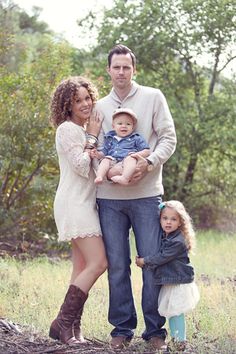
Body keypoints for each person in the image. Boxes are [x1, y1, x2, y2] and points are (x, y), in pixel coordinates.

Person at [95, 44, 177, 350]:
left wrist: (149, 162)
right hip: (109, 199)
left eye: (126, 67)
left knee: (152, 262)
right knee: (117, 264)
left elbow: (168, 138)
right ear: (108, 70)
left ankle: (156, 331)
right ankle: (121, 329)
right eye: (115, 67)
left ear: (134, 69)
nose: (121, 72)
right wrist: (107, 168)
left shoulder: (153, 97)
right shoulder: (100, 106)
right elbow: (96, 148)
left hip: (146, 196)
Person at [48, 76, 107, 345]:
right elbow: (82, 167)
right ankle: (61, 322)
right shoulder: (68, 130)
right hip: (73, 203)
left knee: (81, 267)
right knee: (99, 263)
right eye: (77, 100)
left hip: (85, 203)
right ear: (67, 106)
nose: (85, 104)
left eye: (87, 98)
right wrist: (92, 135)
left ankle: (72, 329)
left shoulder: (82, 131)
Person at [136, 200, 200, 351]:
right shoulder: (168, 236)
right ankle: (177, 340)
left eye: (173, 219)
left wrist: (144, 261)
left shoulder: (177, 241)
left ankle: (180, 341)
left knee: (175, 312)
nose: (168, 222)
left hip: (178, 282)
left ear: (180, 222)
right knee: (172, 312)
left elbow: (162, 257)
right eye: (165, 218)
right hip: (172, 280)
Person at [94, 107, 150, 185]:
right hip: (113, 159)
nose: (124, 126)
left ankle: (124, 178)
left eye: (128, 124)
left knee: (130, 159)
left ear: (133, 127)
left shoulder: (135, 138)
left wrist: (136, 155)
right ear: (113, 126)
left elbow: (147, 151)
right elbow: (105, 151)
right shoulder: (110, 138)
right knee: (105, 160)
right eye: (120, 123)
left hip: (127, 160)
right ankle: (99, 176)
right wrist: (97, 154)